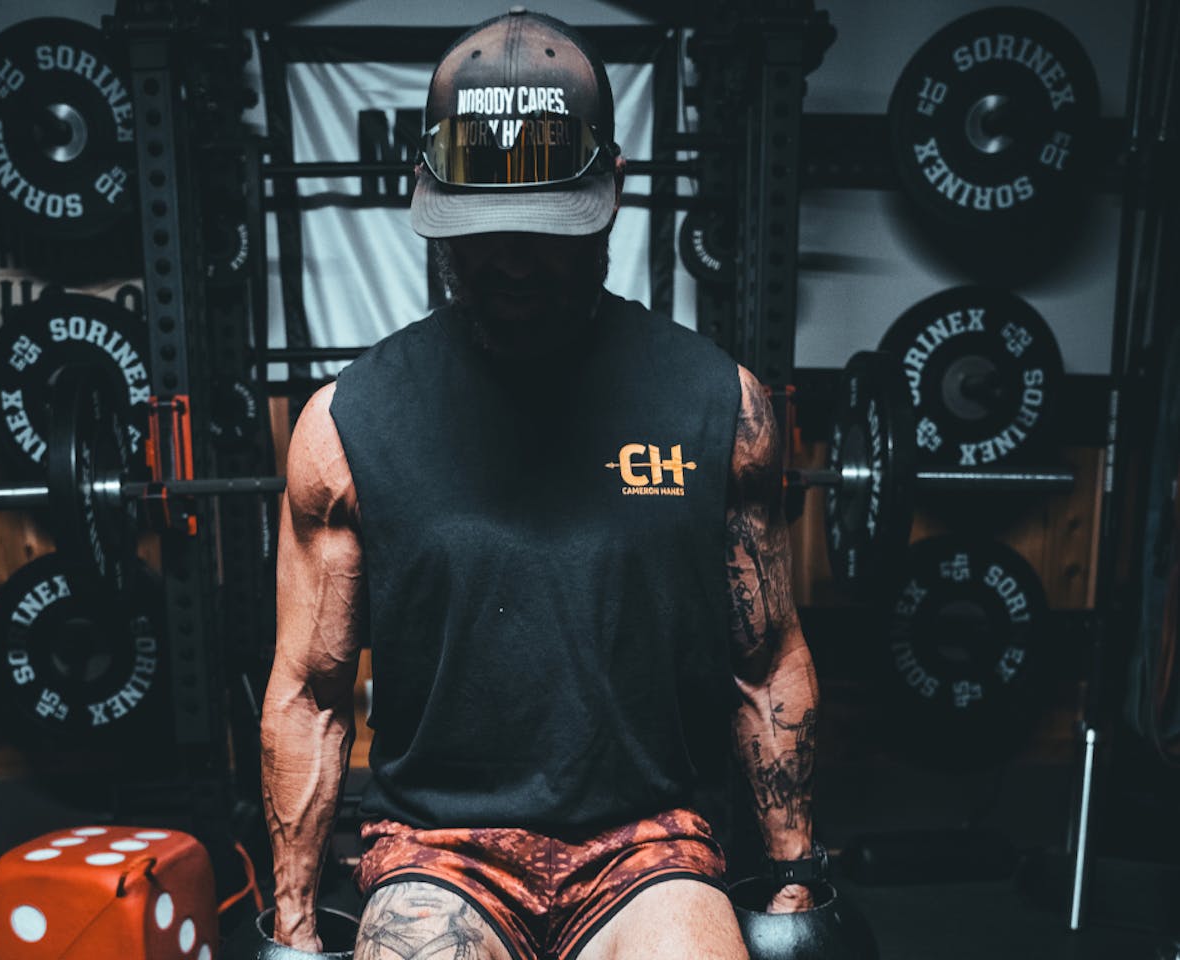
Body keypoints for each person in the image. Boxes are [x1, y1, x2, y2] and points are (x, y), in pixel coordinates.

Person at [261, 10, 822, 959]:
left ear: (612, 192)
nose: (514, 257)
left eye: (544, 228)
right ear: (434, 204)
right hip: (439, 853)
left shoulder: (718, 408)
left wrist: (800, 883)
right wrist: (291, 926)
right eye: (485, 230)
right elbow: (311, 692)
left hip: (648, 848)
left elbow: (764, 662)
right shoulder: (347, 427)